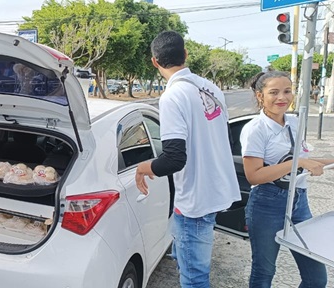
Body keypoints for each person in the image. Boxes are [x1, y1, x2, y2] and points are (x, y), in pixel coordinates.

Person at [134, 31, 241, 287]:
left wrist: (143, 167)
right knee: (192, 268)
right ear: (185, 55)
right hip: (214, 193)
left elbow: (173, 159)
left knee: (194, 279)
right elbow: (218, 137)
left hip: (194, 203)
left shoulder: (172, 96)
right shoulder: (211, 88)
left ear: (154, 62)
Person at [241, 71, 331, 288]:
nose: (282, 97)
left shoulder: (294, 122)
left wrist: (326, 160)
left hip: (299, 203)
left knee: (316, 277)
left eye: (287, 91)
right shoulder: (256, 129)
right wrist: (298, 163)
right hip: (267, 204)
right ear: (260, 95)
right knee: (264, 271)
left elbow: (304, 159)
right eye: (274, 92)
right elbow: (254, 175)